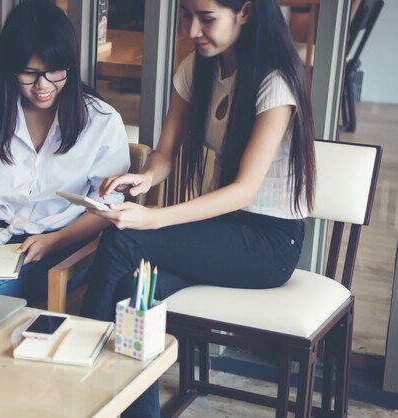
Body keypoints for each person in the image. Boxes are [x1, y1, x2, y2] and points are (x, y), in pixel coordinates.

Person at [80, 0, 316, 416]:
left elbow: (243, 191)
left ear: (245, 11)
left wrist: (152, 219)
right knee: (133, 293)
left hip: (269, 243)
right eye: (188, 16)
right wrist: (147, 178)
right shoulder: (198, 67)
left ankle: (80, 382)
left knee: (123, 243)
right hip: (222, 228)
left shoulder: (276, 82)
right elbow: (166, 152)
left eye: (206, 19)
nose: (191, 30)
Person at [0, 0, 129, 305]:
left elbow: (107, 208)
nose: (43, 86)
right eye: (29, 74)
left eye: (54, 72)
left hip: (64, 246)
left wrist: (53, 241)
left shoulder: (101, 121)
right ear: (10, 68)